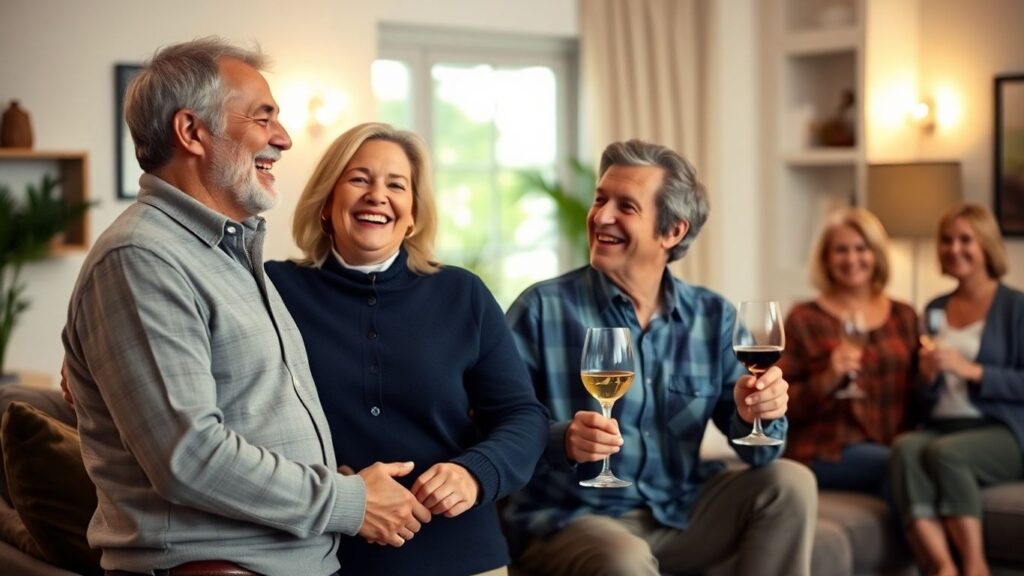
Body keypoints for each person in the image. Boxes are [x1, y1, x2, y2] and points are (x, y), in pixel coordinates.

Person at [61, 39, 428, 576]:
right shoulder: (141, 257)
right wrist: (350, 500)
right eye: (263, 118)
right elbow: (189, 456)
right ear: (192, 132)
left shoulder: (226, 254)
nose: (282, 138)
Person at [503, 139, 817, 576]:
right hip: (575, 519)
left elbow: (761, 456)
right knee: (622, 558)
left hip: (679, 512)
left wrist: (755, 414)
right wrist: (562, 440)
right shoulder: (542, 309)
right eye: (600, 199)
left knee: (791, 483)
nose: (601, 216)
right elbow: (489, 424)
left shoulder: (713, 317)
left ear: (673, 232)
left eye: (626, 207)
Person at [264, 122, 548, 576]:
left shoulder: (463, 294)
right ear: (326, 203)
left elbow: (523, 415)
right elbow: (250, 418)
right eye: (359, 179)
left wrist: (474, 474)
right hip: (324, 554)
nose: (378, 195)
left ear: (413, 213)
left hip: (461, 553)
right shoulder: (274, 290)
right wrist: (333, 488)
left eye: (396, 185)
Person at [890, 203, 1024, 576]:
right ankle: (942, 567)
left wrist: (974, 371)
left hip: (1002, 430)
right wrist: (927, 377)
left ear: (986, 245)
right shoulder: (934, 307)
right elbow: (922, 397)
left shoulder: (1016, 307)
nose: (954, 248)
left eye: (966, 239)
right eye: (947, 240)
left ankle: (976, 566)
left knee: (947, 454)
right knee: (903, 448)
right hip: (943, 426)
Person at [778, 208, 918, 496]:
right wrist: (828, 378)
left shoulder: (904, 315)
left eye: (861, 248)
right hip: (826, 450)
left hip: (893, 442)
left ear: (876, 254)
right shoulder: (804, 318)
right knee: (904, 466)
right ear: (826, 260)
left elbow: (919, 393)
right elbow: (780, 403)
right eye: (841, 250)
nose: (852, 259)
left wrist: (931, 376)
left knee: (918, 463)